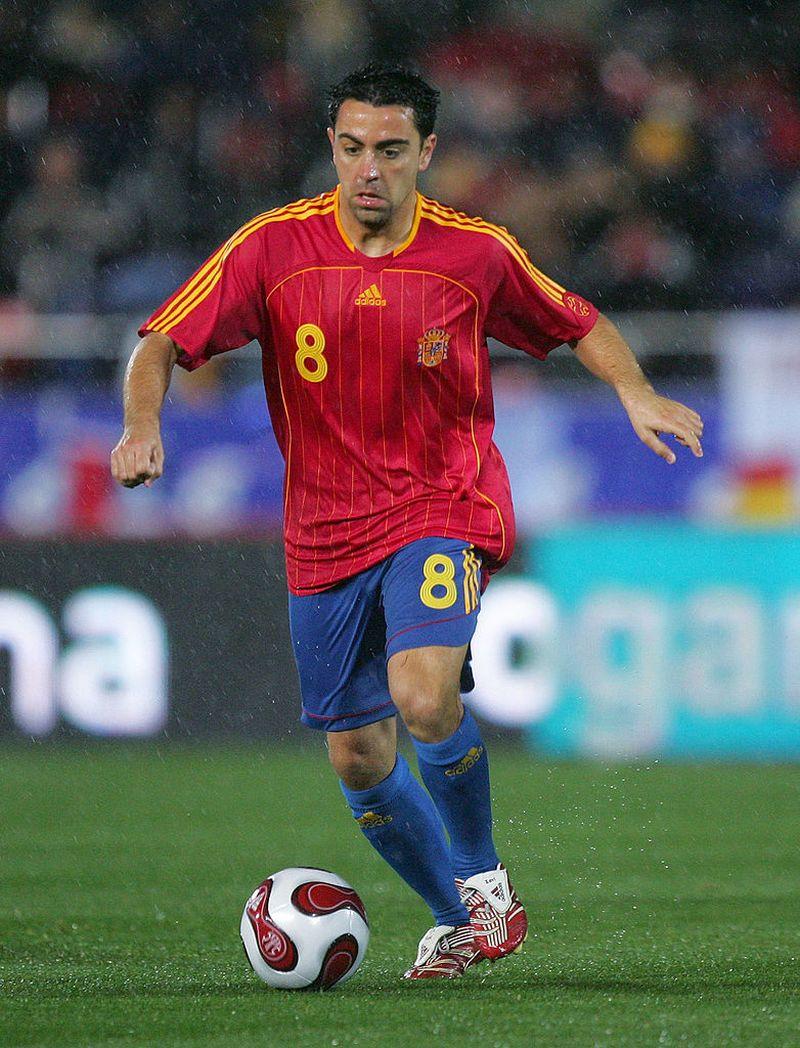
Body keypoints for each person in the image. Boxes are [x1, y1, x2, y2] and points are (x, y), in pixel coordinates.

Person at [110, 63, 704, 980]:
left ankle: (484, 880)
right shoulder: (273, 248)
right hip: (322, 532)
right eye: (352, 148)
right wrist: (141, 424)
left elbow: (577, 321)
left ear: (426, 152)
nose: (369, 170)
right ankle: (455, 919)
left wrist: (636, 392)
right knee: (356, 754)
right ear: (331, 147)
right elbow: (160, 341)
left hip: (442, 505)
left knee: (424, 695)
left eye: (390, 150)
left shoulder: (475, 253)